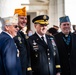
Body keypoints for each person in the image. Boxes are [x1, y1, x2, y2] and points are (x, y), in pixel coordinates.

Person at [14, 7, 29, 75]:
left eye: (25, 18)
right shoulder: (12, 34)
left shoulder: (21, 33)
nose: (24, 21)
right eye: (22, 18)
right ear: (15, 19)